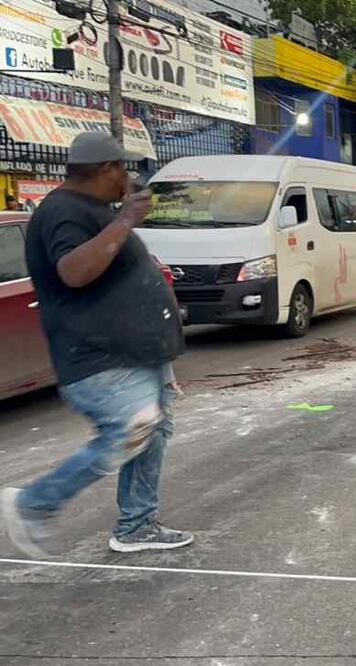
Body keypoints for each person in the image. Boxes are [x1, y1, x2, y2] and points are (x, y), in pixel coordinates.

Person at [1, 132, 189, 557]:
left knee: (153, 431)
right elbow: (74, 272)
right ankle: (32, 503)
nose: (127, 177)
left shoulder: (96, 209)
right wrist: (125, 221)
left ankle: (137, 526)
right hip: (97, 355)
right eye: (123, 168)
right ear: (105, 169)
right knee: (131, 429)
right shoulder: (62, 211)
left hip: (134, 352)